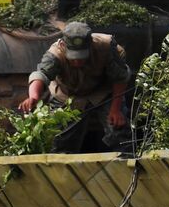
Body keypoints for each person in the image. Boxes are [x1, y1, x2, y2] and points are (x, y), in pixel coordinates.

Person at [18, 21, 132, 152]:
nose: (77, 61)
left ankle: (127, 162)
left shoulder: (105, 46)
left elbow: (120, 78)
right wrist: (34, 96)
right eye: (73, 57)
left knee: (119, 131)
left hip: (102, 93)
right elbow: (41, 74)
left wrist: (115, 110)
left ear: (91, 45)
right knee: (59, 139)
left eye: (82, 56)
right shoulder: (55, 53)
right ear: (63, 45)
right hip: (68, 96)